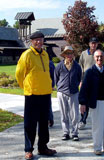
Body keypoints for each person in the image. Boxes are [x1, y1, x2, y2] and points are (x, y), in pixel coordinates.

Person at [15, 31, 57, 160]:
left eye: (41, 39)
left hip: (45, 94)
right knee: (30, 124)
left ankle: (43, 147)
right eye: (36, 40)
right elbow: (19, 74)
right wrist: (26, 87)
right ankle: (28, 150)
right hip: (32, 95)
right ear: (32, 42)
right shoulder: (27, 54)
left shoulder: (45, 54)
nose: (39, 42)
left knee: (44, 123)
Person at [54, 45, 82, 141]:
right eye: (67, 53)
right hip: (62, 92)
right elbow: (56, 78)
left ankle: (75, 133)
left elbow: (79, 78)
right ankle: (65, 132)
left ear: (73, 54)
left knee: (74, 115)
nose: (69, 55)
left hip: (74, 92)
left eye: (71, 53)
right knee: (64, 114)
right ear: (64, 55)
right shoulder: (59, 66)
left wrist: (74, 86)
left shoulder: (77, 66)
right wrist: (61, 87)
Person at [78, 37, 99, 130]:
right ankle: (83, 120)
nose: (93, 45)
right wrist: (81, 80)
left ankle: (97, 121)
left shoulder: (99, 54)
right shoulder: (83, 53)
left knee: (96, 102)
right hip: (85, 81)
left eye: (95, 43)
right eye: (92, 43)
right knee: (84, 102)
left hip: (96, 81)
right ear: (89, 44)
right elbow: (80, 67)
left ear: (97, 44)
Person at [48, 60, 55, 127]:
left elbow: (53, 75)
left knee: (47, 104)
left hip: (47, 87)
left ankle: (50, 119)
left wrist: (52, 85)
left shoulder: (49, 63)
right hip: (36, 88)